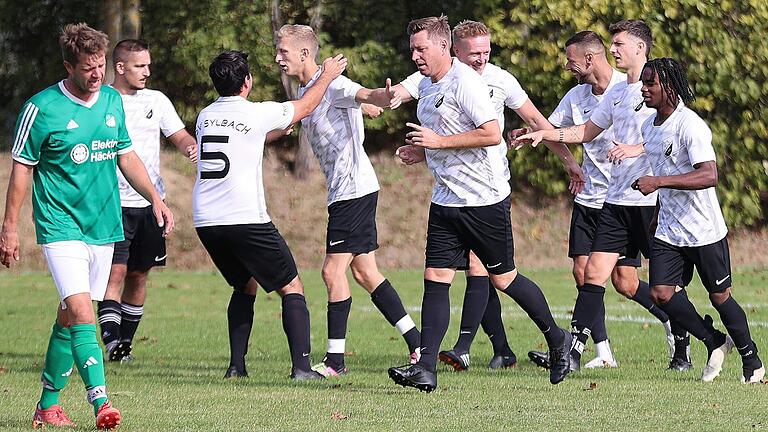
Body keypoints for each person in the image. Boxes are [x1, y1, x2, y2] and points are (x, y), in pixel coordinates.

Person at [1, 23, 174, 429]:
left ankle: (47, 404)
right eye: (87, 68)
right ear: (68, 66)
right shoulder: (41, 108)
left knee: (68, 315)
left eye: (100, 66)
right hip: (60, 224)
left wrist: (156, 198)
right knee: (81, 314)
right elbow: (21, 169)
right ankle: (102, 403)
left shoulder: (112, 100)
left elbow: (126, 156)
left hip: (104, 226)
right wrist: (9, 228)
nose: (97, 75)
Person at [387, 16, 573, 393]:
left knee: (504, 279)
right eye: (413, 50)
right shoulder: (427, 84)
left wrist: (436, 143)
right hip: (446, 200)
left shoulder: (467, 83)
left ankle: (557, 338)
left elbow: (491, 134)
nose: (415, 56)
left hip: (484, 201)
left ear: (443, 47)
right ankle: (425, 368)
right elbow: (448, 133)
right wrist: (421, 152)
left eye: (421, 49)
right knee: (436, 280)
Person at [515, 20, 688, 370]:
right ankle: (586, 352)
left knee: (640, 283)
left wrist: (636, 149)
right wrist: (541, 133)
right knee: (588, 274)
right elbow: (579, 131)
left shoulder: (654, 88)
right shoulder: (598, 96)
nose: (614, 49)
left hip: (644, 200)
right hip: (601, 200)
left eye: (618, 44)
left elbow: (671, 135)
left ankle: (685, 337)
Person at [273, 24, 421, 377]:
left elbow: (365, 94)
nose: (278, 58)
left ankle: (336, 362)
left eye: (284, 52)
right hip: (347, 192)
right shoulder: (309, 87)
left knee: (331, 271)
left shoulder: (334, 82)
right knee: (365, 272)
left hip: (353, 190)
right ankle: (417, 343)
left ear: (305, 54)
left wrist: (381, 98)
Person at [607, 58, 764, 383]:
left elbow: (709, 175)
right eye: (644, 82)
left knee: (719, 297)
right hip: (668, 228)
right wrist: (657, 215)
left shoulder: (690, 125)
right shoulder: (649, 126)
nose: (645, 89)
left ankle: (752, 360)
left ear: (670, 87)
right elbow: (664, 171)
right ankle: (715, 340)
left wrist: (657, 185)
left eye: (651, 83)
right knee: (661, 293)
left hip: (704, 230)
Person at [192, 50, 347, 380]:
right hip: (244, 217)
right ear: (247, 82)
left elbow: (242, 138)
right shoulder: (256, 112)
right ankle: (302, 369)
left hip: (206, 220)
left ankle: (236, 367)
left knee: (244, 285)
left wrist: (278, 130)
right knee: (292, 286)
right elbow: (306, 107)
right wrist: (327, 76)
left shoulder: (205, 116)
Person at [97, 39, 198, 363]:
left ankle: (124, 345)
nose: (147, 72)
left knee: (140, 274)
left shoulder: (156, 99)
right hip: (112, 204)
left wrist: (189, 147)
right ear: (122, 67)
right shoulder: (102, 100)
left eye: (149, 65)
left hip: (151, 203)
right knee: (115, 273)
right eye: (140, 66)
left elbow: (178, 134)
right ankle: (112, 343)